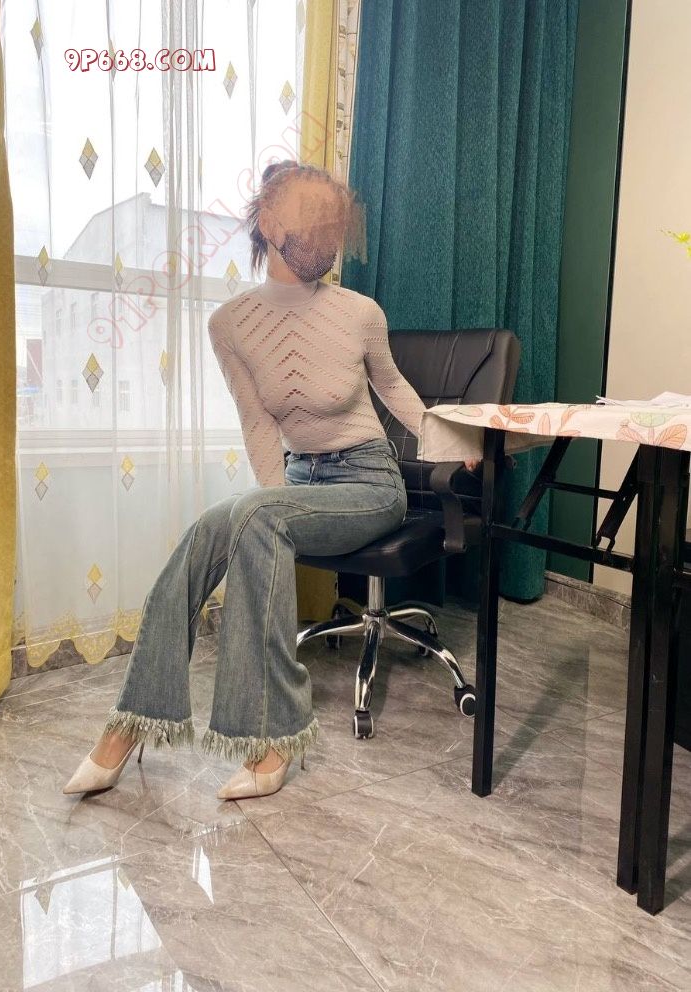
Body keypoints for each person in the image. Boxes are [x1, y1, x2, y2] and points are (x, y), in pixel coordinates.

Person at [62, 160, 477, 801]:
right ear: (269, 222)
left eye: (336, 225)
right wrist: (273, 501)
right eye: (314, 220)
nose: (329, 237)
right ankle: (133, 718)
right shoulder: (230, 324)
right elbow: (259, 427)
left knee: (256, 515)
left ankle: (275, 737)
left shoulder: (360, 312)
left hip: (370, 484)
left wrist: (450, 440)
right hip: (299, 482)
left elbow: (393, 385)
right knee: (209, 530)